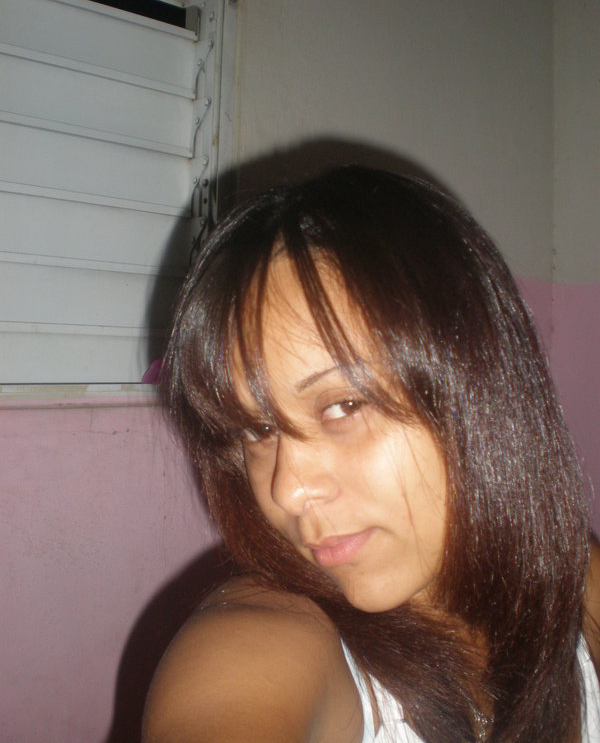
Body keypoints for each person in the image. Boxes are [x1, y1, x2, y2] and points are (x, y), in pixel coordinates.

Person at [143, 166, 600, 742]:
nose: (287, 491)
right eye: (257, 429)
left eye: (344, 405)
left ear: (478, 387)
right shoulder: (264, 637)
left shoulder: (577, 583)